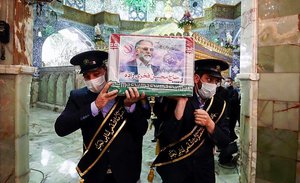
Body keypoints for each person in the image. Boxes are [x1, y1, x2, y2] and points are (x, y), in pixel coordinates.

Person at [54, 50, 151, 183]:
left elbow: (142, 130)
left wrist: (130, 107)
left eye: (96, 74)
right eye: (87, 76)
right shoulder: (78, 97)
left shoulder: (128, 92)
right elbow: (61, 128)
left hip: (127, 170)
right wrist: (94, 106)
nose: (92, 79)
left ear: (105, 70)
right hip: (95, 170)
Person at [149, 59, 231, 183]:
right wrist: (181, 105)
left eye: (216, 81)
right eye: (209, 80)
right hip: (176, 167)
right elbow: (166, 135)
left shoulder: (219, 104)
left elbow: (225, 141)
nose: (213, 85)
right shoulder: (176, 97)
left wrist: (210, 124)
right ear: (196, 78)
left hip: (203, 171)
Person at [217, 77, 240, 168]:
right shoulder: (221, 91)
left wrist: (227, 115)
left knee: (229, 134)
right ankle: (224, 154)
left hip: (230, 115)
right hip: (221, 117)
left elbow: (231, 103)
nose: (226, 83)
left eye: (228, 81)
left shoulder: (232, 91)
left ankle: (225, 155)